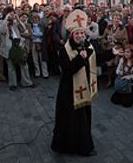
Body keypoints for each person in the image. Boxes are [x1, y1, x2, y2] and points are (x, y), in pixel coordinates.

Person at [51, 9, 98, 156]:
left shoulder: (88, 47)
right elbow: (67, 70)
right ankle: (73, 147)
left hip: (85, 89)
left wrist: (112, 54)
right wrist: (79, 58)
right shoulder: (65, 50)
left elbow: (97, 60)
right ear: (72, 34)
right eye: (77, 33)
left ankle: (83, 144)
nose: (80, 36)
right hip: (69, 92)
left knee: (83, 119)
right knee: (71, 121)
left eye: (82, 33)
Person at [0, 7, 34, 90]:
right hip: (9, 47)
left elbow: (24, 29)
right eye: (10, 13)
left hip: (18, 46)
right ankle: (13, 84)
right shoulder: (1, 22)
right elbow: (1, 30)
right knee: (11, 66)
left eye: (13, 13)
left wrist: (18, 20)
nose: (12, 14)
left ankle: (27, 82)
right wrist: (6, 19)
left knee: (24, 65)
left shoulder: (15, 22)